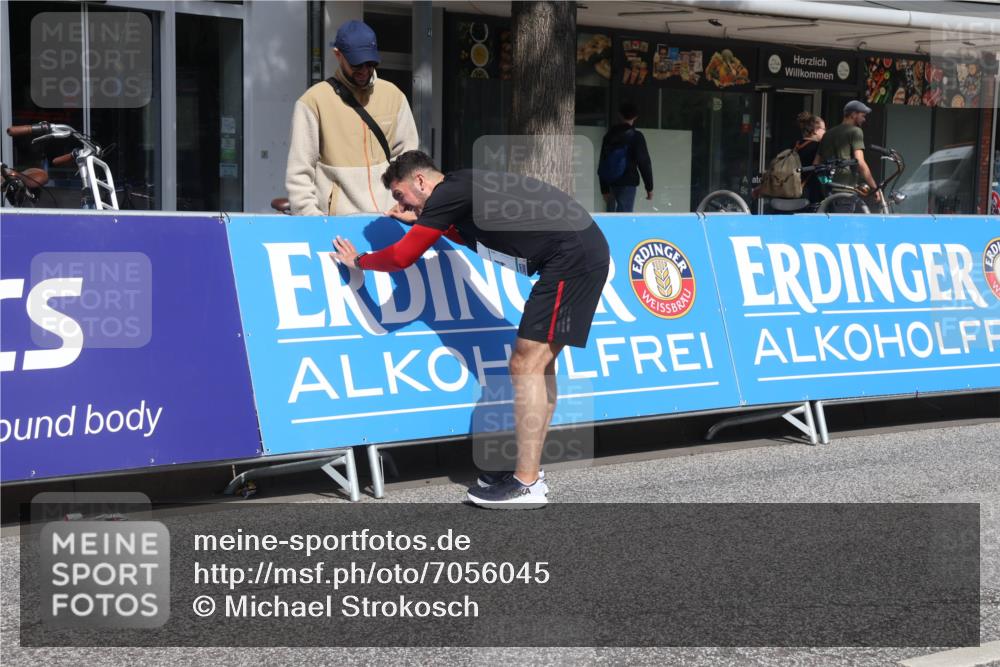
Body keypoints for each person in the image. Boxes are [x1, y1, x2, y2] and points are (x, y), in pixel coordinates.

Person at [329, 151, 611, 508]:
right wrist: (423, 218)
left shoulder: (449, 194)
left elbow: (402, 258)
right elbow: (469, 233)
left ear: (420, 181)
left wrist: (360, 261)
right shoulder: (460, 184)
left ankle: (527, 484)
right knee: (538, 365)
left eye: (401, 195)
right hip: (578, 251)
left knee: (525, 364)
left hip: (572, 257)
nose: (400, 204)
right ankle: (529, 472)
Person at [285, 20, 419, 216]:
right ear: (338, 55)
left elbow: (409, 160)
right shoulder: (313, 101)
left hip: (389, 217)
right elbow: (299, 171)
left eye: (370, 63)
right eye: (357, 63)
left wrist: (406, 206)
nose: (364, 70)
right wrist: (313, 220)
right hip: (337, 224)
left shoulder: (394, 96)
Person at [816, 100, 882, 211]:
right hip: (846, 191)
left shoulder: (828, 134)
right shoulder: (856, 131)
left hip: (828, 191)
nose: (864, 119)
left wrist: (826, 182)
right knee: (843, 225)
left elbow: (816, 163)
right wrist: (875, 188)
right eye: (862, 115)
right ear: (853, 114)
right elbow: (860, 162)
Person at [598, 102, 653, 212]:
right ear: (636, 117)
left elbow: (603, 161)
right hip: (628, 182)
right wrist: (649, 187)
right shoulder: (636, 136)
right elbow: (644, 162)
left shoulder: (609, 136)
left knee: (611, 218)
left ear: (620, 115)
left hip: (610, 182)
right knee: (624, 216)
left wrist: (604, 189)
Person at [794, 111, 826, 205]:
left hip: (790, 191)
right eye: (823, 129)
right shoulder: (819, 147)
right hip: (810, 194)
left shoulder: (794, 146)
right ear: (815, 131)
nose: (825, 132)